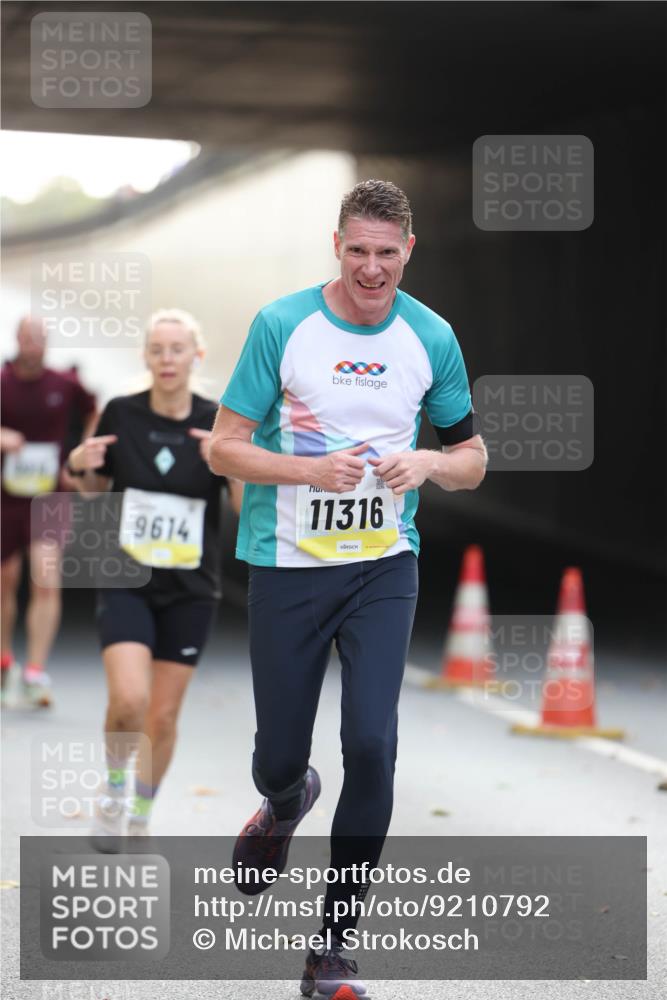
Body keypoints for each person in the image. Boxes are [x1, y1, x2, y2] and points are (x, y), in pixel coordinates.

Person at [209, 179, 487, 996]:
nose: (371, 268)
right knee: (278, 756)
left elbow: (471, 460)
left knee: (371, 744)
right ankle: (282, 801)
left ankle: (331, 948)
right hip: (287, 566)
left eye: (386, 253)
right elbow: (224, 447)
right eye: (357, 251)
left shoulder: (430, 335)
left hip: (382, 567)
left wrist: (429, 461)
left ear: (408, 251)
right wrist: (307, 470)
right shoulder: (282, 324)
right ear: (336, 246)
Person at [66, 309, 242, 842]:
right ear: (146, 355)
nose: (167, 359)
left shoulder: (218, 420)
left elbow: (243, 506)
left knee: (162, 717)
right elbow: (93, 492)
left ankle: (141, 809)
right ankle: (114, 788)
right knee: (129, 701)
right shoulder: (121, 412)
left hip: (191, 588)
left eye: (177, 349)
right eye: (157, 349)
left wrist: (227, 463)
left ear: (196, 356)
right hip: (128, 578)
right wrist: (79, 464)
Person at [1, 317, 98, 708]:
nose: (32, 345)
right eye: (27, 338)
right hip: (6, 496)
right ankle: (4, 663)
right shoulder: (3, 382)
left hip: (50, 495)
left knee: (46, 578)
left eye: (39, 338)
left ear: (47, 342)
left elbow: (94, 413)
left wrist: (78, 459)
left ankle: (35, 672)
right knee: (6, 580)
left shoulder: (65, 384)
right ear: (17, 339)